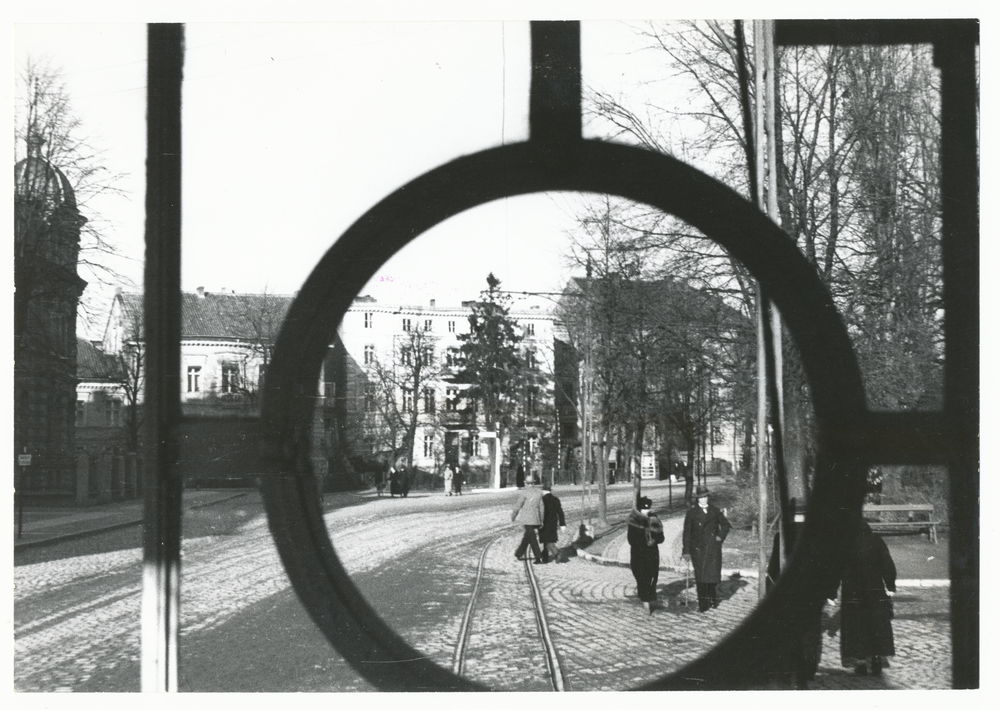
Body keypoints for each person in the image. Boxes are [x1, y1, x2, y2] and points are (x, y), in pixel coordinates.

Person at [831, 519, 897, 676]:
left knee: (856, 626)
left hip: (852, 592)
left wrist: (831, 593)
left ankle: (860, 662)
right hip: (874, 589)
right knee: (875, 624)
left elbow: (835, 570)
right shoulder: (876, 540)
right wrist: (890, 585)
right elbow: (887, 563)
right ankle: (876, 658)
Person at [682, 485, 731, 612]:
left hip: (713, 549)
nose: (703, 499)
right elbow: (687, 533)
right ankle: (703, 604)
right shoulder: (691, 513)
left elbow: (726, 525)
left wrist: (719, 537)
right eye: (701, 497)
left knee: (713, 577)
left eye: (705, 497)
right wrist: (686, 551)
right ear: (697, 499)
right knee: (701, 578)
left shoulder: (715, 510)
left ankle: (713, 599)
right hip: (697, 550)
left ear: (708, 497)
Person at [627, 495, 664, 613]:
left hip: (652, 554)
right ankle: (646, 600)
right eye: (644, 509)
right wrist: (644, 542)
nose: (646, 512)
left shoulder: (654, 519)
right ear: (639, 510)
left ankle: (648, 597)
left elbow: (662, 538)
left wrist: (655, 540)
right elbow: (631, 540)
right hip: (639, 554)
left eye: (648, 509)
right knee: (642, 577)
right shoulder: (634, 521)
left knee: (652, 576)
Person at [511, 480, 545, 563]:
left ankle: (538, 557)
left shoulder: (524, 493)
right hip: (536, 519)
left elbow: (518, 505)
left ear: (526, 483)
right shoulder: (539, 493)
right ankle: (518, 553)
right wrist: (541, 520)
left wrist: (514, 515)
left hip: (526, 519)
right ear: (533, 484)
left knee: (532, 538)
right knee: (528, 536)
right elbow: (542, 507)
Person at [539, 483, 566, 563]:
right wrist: (562, 524)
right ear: (550, 491)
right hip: (553, 523)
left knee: (547, 541)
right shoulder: (556, 499)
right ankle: (545, 557)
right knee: (548, 539)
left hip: (544, 522)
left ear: (543, 491)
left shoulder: (541, 500)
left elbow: (539, 512)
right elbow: (560, 512)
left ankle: (557, 553)